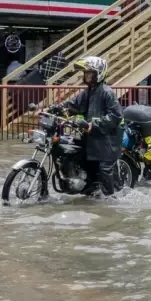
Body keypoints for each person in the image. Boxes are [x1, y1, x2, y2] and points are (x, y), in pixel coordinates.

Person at [54, 56, 123, 196]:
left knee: (104, 170)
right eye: (85, 73)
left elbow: (116, 115)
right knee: (83, 164)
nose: (86, 76)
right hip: (91, 139)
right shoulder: (88, 92)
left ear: (99, 74)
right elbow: (73, 105)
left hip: (107, 142)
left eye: (90, 73)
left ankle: (112, 199)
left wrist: (93, 124)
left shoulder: (107, 92)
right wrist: (57, 107)